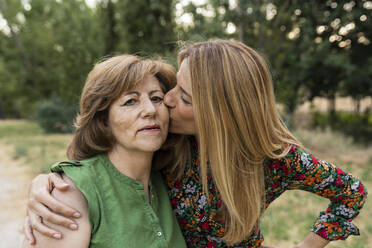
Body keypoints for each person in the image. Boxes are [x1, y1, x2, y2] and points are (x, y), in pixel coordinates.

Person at [24, 40, 367, 248]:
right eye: (168, 90)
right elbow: (104, 167)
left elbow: (352, 192)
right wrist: (47, 185)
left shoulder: (274, 158)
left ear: (219, 113)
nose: (164, 103)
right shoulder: (172, 145)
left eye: (180, 96)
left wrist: (308, 244)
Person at [22, 54, 187, 248]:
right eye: (130, 101)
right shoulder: (70, 194)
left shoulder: (172, 180)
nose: (150, 110)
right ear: (103, 120)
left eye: (156, 98)